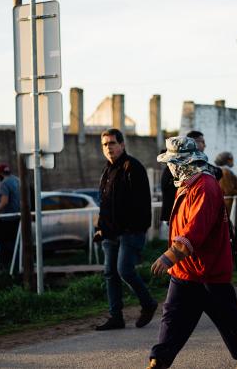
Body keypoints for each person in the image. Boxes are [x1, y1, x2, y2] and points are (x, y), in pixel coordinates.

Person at [148, 137, 237, 369]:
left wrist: (169, 255)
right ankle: (158, 362)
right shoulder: (187, 185)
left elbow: (194, 230)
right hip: (184, 270)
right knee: (172, 319)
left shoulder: (205, 187)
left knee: (228, 319)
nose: (170, 168)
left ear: (185, 163)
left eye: (173, 163)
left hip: (209, 270)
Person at [94, 128, 157, 331]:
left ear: (122, 145)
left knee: (124, 270)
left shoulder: (133, 167)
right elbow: (104, 203)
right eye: (105, 144)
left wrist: (134, 228)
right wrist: (100, 227)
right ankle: (116, 317)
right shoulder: (106, 170)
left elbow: (141, 203)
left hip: (130, 232)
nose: (109, 147)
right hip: (109, 233)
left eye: (112, 143)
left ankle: (148, 304)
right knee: (110, 274)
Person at [160, 130, 220, 224]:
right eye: (202, 142)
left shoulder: (203, 181)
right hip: (177, 216)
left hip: (186, 218)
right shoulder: (175, 169)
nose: (205, 145)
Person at [0, 163, 20, 270]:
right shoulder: (17, 180)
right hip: (16, 217)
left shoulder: (4, 183)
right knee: (14, 242)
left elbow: (4, 201)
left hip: (6, 218)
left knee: (1, 239)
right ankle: (15, 264)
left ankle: (4, 265)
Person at [214, 151, 237, 226]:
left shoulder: (225, 171)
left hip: (230, 204)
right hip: (229, 205)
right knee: (231, 228)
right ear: (228, 160)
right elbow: (229, 191)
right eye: (232, 159)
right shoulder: (225, 172)